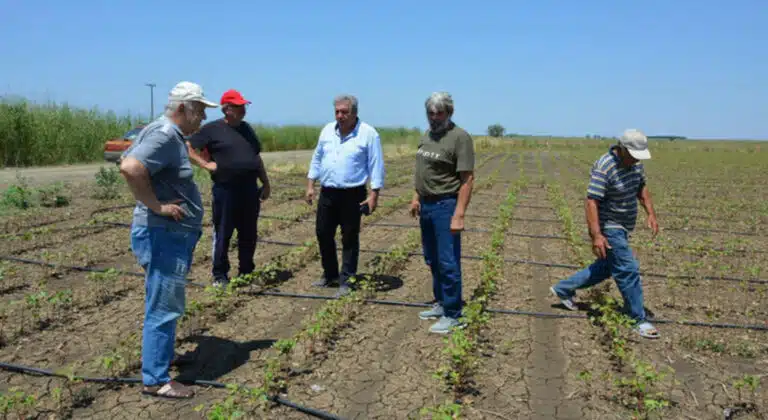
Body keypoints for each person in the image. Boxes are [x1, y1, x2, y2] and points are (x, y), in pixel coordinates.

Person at [120, 81, 218, 398]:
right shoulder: (164, 135)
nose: (202, 117)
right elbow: (130, 166)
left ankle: (159, 359)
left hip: (170, 234)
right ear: (181, 109)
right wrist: (156, 206)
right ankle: (156, 379)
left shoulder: (168, 135)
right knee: (163, 304)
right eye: (199, 110)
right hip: (164, 234)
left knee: (165, 301)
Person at [550, 129, 661, 339]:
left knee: (607, 267)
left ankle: (563, 289)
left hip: (625, 225)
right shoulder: (605, 166)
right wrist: (597, 236)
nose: (636, 160)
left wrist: (651, 214)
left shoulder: (635, 163)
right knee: (628, 268)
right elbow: (592, 201)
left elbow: (641, 187)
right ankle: (637, 318)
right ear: (622, 148)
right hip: (610, 226)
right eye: (633, 155)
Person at [187, 89, 271, 287]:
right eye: (238, 106)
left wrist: (265, 183)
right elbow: (188, 147)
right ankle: (220, 275)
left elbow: (255, 158)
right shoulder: (212, 129)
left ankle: (246, 273)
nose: (243, 109)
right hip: (226, 190)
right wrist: (205, 164)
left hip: (250, 190)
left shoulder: (247, 129)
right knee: (223, 232)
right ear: (226, 109)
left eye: (244, 106)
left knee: (249, 233)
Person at [306, 94, 385, 297]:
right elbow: (317, 158)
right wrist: (310, 184)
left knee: (349, 237)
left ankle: (347, 279)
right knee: (323, 233)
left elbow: (376, 165)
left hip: (353, 193)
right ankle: (330, 274)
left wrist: (374, 194)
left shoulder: (368, 134)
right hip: (328, 192)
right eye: (337, 112)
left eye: (344, 112)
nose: (340, 116)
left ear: (354, 113)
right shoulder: (327, 131)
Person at [411, 92, 475, 335]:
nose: (434, 117)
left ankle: (453, 314)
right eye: (431, 113)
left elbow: (467, 179)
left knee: (448, 262)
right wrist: (416, 197)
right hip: (426, 205)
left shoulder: (460, 138)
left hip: (445, 205)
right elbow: (422, 170)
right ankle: (440, 303)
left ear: (450, 113)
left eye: (439, 113)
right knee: (432, 258)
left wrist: (459, 214)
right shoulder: (426, 136)